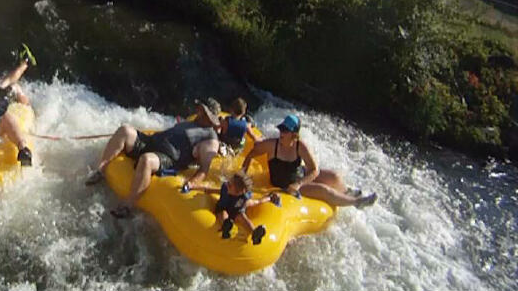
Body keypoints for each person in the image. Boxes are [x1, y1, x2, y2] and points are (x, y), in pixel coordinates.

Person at [86, 98, 222, 219]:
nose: (198, 110)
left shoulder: (210, 140)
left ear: (209, 116)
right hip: (152, 142)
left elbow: (204, 169)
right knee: (125, 130)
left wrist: (191, 184)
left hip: (169, 158)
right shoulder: (193, 121)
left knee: (147, 160)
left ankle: (128, 205)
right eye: (200, 109)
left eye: (203, 110)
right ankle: (101, 170)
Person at [241, 114, 377, 208]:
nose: (281, 133)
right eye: (281, 129)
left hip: (298, 178)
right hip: (286, 184)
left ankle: (346, 193)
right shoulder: (272, 144)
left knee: (334, 176)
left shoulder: (301, 146)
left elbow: (314, 169)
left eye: (285, 131)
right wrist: (242, 175)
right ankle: (356, 202)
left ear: (294, 134)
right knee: (324, 190)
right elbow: (251, 154)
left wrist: (299, 183)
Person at [190, 173, 280, 244]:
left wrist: (268, 198)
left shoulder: (243, 197)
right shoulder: (226, 188)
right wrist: (193, 187)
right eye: (229, 183)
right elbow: (210, 190)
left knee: (243, 216)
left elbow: (256, 201)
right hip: (223, 208)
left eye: (230, 185)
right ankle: (226, 225)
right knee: (223, 213)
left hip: (236, 211)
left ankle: (254, 233)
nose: (227, 184)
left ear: (238, 192)